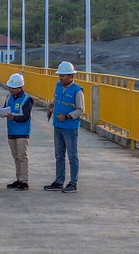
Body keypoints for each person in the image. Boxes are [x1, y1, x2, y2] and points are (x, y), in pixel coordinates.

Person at [44, 61, 85, 194]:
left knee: (72, 156)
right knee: (59, 155)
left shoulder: (77, 91)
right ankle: (59, 181)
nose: (60, 78)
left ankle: (73, 183)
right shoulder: (58, 86)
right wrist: (51, 107)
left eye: (63, 76)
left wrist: (67, 116)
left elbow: (80, 110)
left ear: (71, 76)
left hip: (70, 128)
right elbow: (56, 99)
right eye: (60, 75)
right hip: (58, 126)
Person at [3, 73, 33, 191]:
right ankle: (18, 178)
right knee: (16, 156)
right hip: (12, 132)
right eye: (10, 88)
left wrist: (13, 118)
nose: (12, 90)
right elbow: (5, 109)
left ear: (20, 87)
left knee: (22, 156)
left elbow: (25, 116)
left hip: (22, 133)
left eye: (14, 88)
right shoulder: (8, 97)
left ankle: (24, 181)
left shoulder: (27, 100)